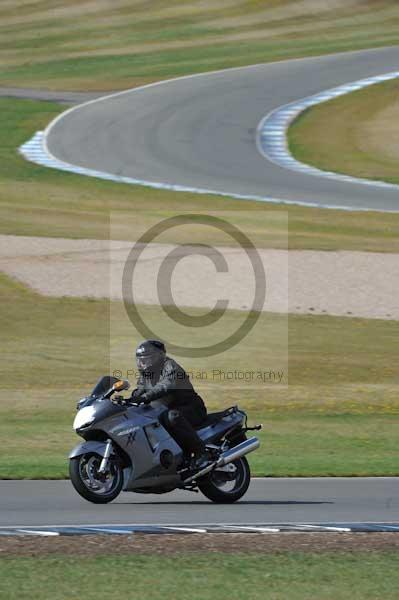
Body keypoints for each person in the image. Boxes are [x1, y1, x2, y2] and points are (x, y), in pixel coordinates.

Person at [131, 340, 209, 466]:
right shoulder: (146, 374)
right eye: (140, 360)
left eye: (146, 360)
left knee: (172, 417)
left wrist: (145, 397)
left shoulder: (171, 367)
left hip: (192, 409)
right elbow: (140, 389)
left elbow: (165, 386)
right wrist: (130, 399)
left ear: (158, 357)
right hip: (166, 410)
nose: (142, 364)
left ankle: (201, 452)